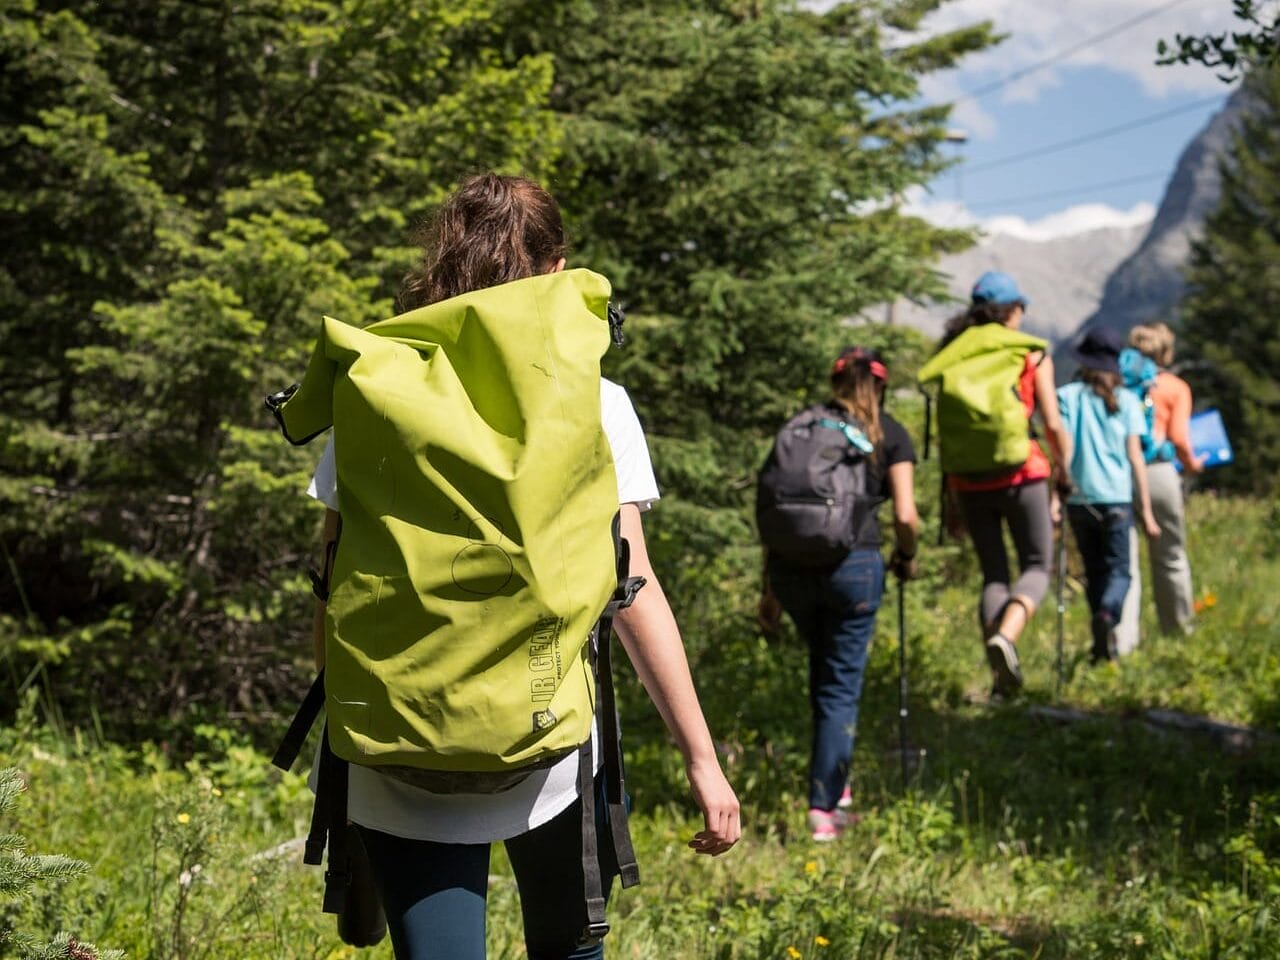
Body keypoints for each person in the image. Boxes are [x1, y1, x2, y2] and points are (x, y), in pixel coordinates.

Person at [304, 174, 740, 960]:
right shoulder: (596, 402)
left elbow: (333, 586)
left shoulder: (369, 392)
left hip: (398, 748)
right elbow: (632, 590)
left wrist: (346, 750)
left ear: (440, 268)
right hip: (550, 739)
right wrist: (702, 761)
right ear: (556, 271)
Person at [758, 347, 919, 842]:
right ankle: (824, 808)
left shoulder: (803, 427)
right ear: (881, 386)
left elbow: (775, 510)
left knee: (823, 675)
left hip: (790, 572)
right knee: (840, 688)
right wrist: (907, 555)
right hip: (854, 569)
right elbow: (906, 515)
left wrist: (769, 591)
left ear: (836, 383)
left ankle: (835, 778)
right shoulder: (888, 433)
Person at [929, 272, 1071, 698]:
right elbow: (1052, 423)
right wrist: (1063, 470)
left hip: (967, 480)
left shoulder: (954, 353)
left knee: (994, 575)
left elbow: (946, 434)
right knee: (1037, 565)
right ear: (1012, 310)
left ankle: (999, 681)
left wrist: (950, 499)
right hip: (1022, 472)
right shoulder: (1028, 353)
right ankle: (1006, 637)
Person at [1058, 328, 1162, 664]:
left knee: (1094, 572)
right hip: (1116, 499)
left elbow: (1064, 450)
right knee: (1120, 572)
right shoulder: (1128, 401)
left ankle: (1100, 644)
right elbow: (1136, 459)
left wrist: (1056, 495)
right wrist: (1147, 512)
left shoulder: (1067, 396)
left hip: (1079, 499)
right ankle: (1107, 616)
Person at [1114, 322, 1202, 652]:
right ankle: (1178, 633)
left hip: (1120, 473)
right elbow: (1178, 437)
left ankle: (1123, 641)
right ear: (1165, 351)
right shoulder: (1174, 387)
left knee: (1126, 562)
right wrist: (1192, 465)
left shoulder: (1116, 383)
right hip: (1158, 473)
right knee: (1170, 556)